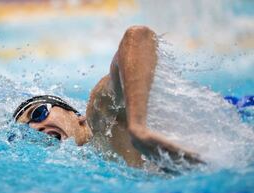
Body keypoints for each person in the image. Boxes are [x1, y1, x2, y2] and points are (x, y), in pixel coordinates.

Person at [12, 26, 202, 168]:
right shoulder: (83, 165)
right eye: (26, 130)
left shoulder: (100, 114)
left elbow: (138, 36)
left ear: (76, 116)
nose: (34, 127)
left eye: (38, 113)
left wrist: (138, 128)